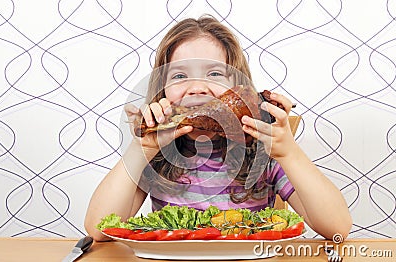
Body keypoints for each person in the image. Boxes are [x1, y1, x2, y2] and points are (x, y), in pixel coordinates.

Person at [84, 15, 352, 241]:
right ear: (162, 90)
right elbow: (99, 230)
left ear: (238, 87)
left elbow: (337, 228)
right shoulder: (157, 156)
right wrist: (142, 148)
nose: (197, 87)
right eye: (179, 75)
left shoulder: (263, 152)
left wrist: (289, 153)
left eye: (214, 74)